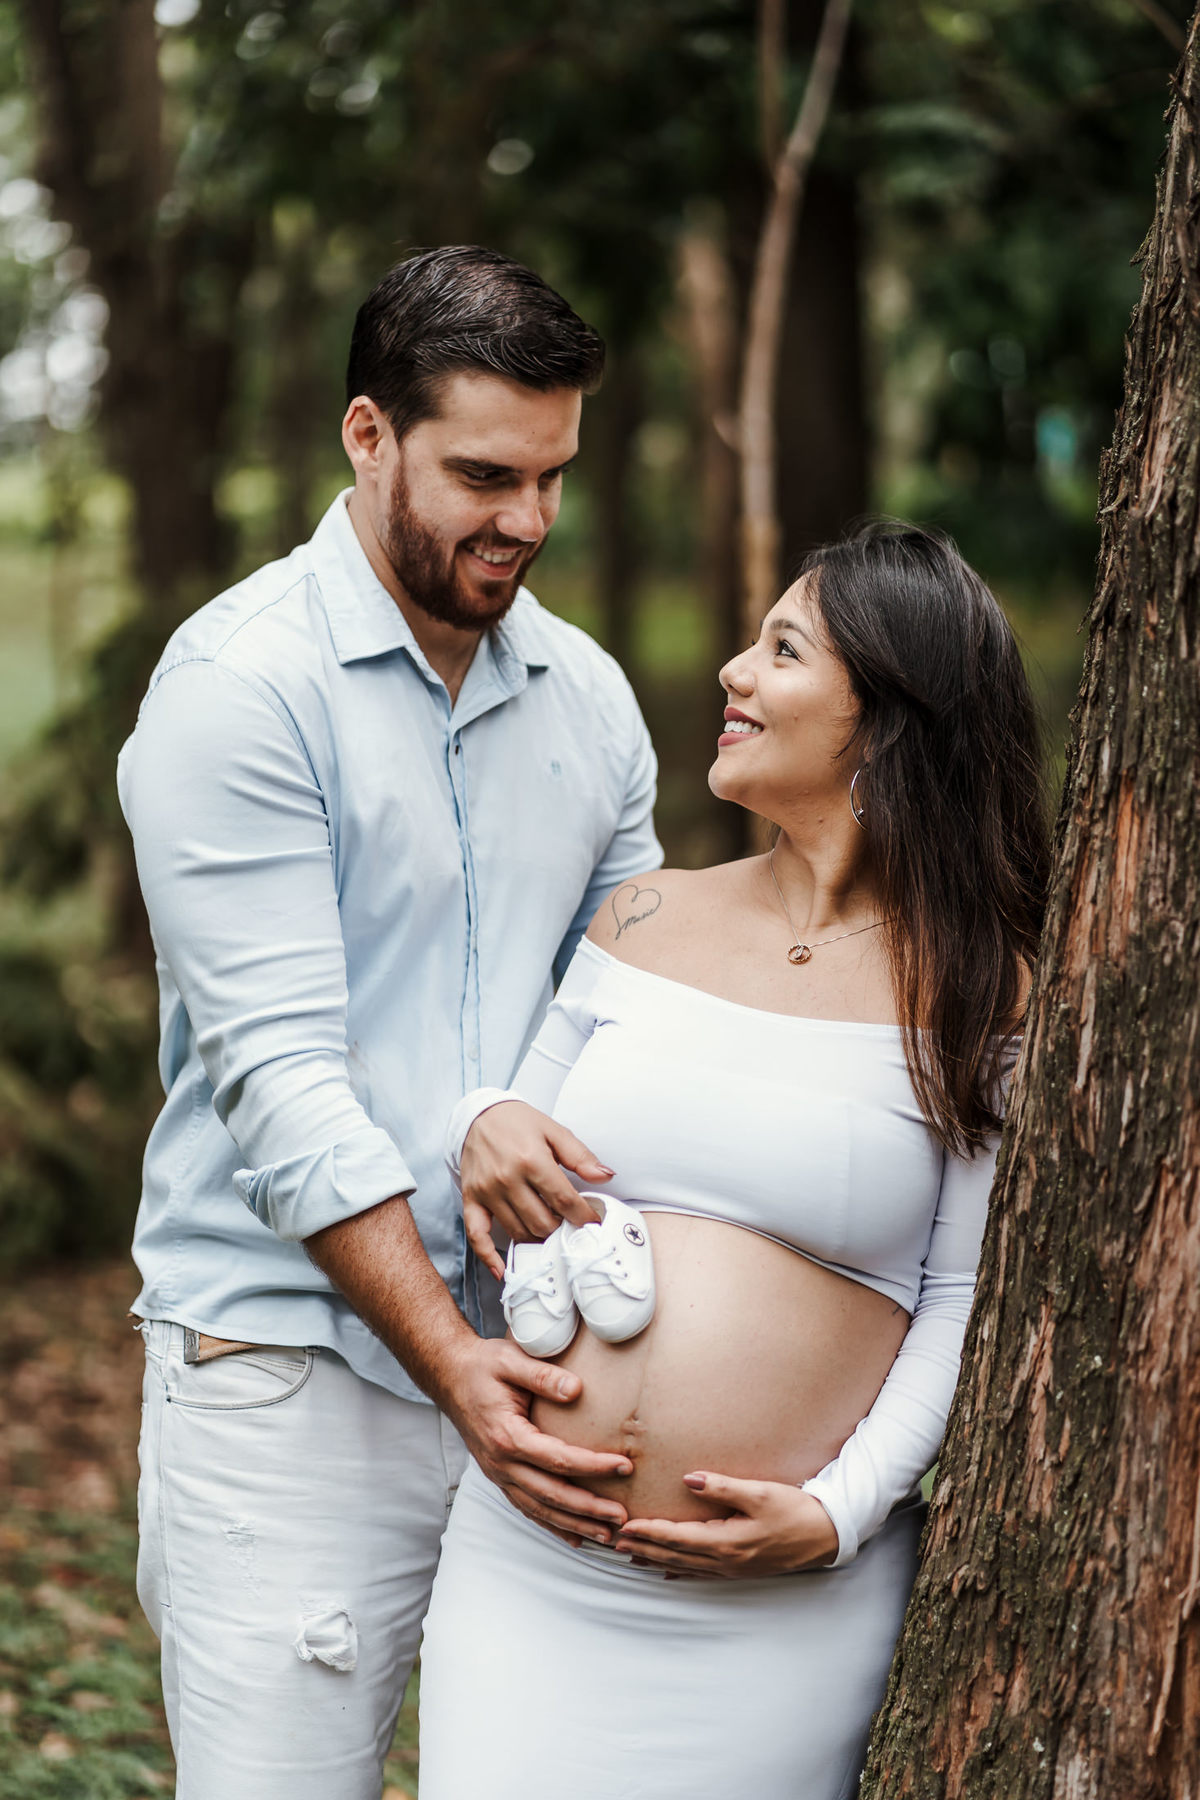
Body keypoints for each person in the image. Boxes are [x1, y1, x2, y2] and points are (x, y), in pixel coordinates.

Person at [117, 245, 663, 1800]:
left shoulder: (593, 699)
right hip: (293, 1389)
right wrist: (454, 1370)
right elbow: (284, 1090)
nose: (529, 521)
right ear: (370, 438)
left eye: (554, 477)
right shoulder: (241, 690)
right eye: (486, 474)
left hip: (547, 1370)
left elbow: (628, 1005)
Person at [417, 523, 1049, 1800]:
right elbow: (502, 1171)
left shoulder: (989, 990)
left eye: (781, 650)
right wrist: (480, 1116)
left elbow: (965, 1299)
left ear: (884, 717)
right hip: (527, 1570)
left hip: (779, 1618)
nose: (730, 673)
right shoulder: (643, 916)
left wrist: (840, 1513)